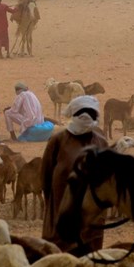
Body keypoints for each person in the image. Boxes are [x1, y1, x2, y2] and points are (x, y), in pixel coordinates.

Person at [41, 95, 108, 253]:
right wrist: (51, 204)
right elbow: (46, 175)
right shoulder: (58, 141)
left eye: (90, 113)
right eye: (81, 113)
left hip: (93, 221)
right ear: (74, 115)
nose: (85, 117)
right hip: (60, 213)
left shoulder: (100, 142)